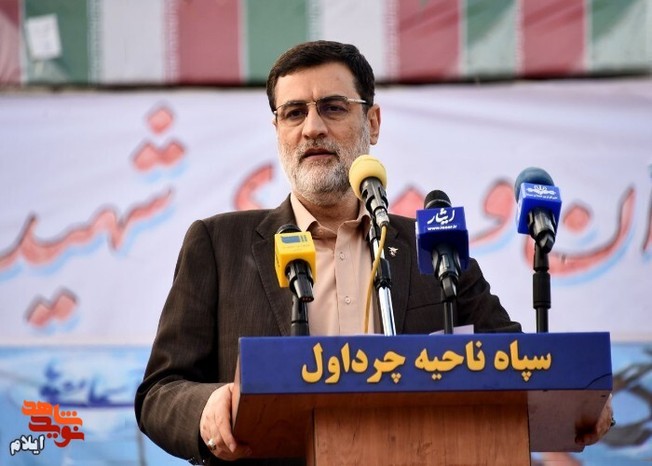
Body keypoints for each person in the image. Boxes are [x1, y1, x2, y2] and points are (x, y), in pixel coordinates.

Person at [135, 40, 613, 465]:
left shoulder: (437, 247)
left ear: (373, 122)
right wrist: (206, 407)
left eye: (333, 108)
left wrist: (575, 395)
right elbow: (160, 391)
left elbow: (516, 364)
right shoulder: (219, 245)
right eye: (294, 113)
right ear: (277, 128)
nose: (312, 128)